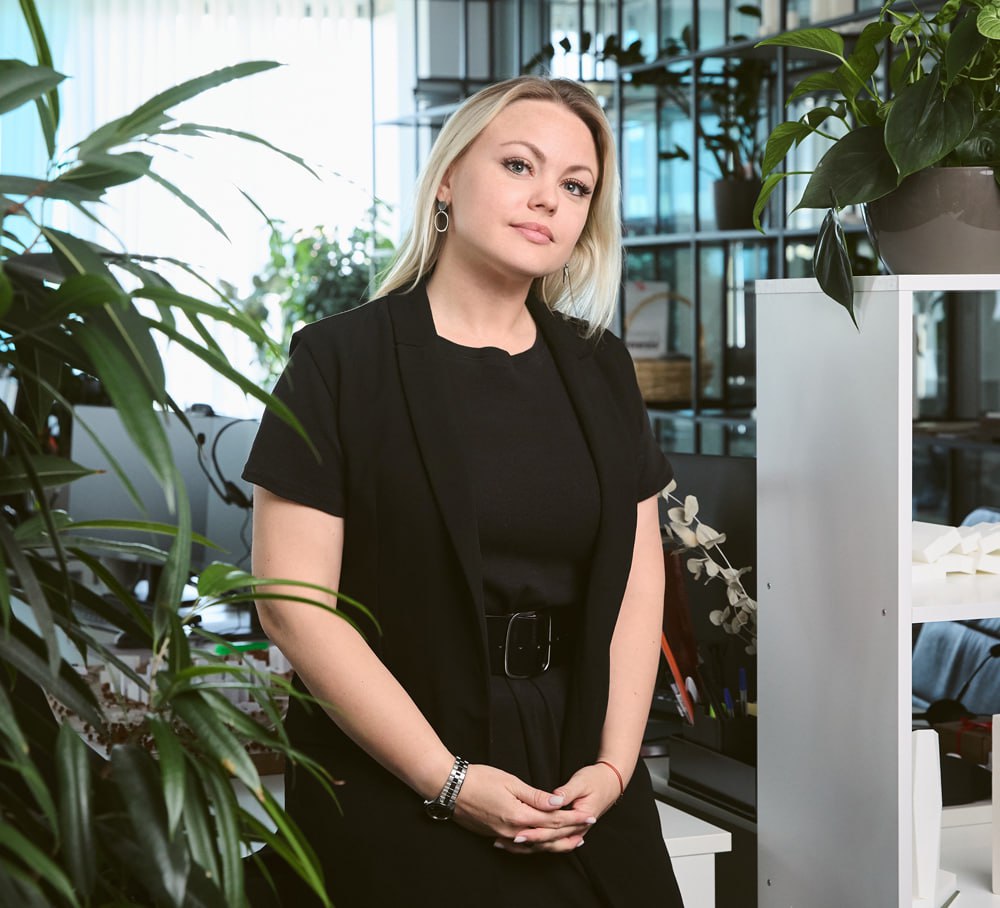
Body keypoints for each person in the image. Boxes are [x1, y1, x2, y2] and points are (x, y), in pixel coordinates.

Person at [242, 75, 683, 908]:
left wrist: (615, 766)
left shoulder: (600, 366)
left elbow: (638, 582)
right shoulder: (339, 362)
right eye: (519, 165)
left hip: (580, 774)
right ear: (447, 179)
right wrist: (446, 780)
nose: (547, 199)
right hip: (400, 767)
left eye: (576, 186)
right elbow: (292, 606)